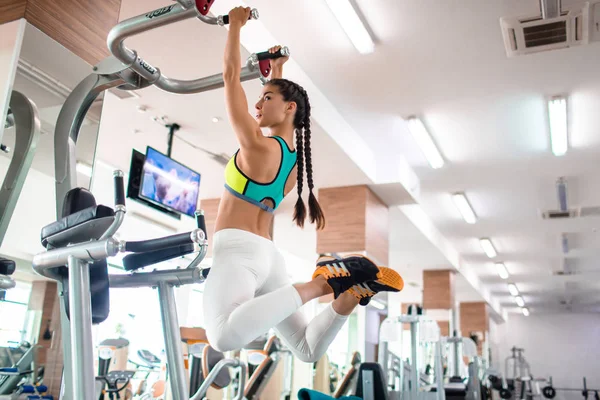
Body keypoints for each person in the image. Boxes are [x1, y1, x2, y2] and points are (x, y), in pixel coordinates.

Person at [202, 6, 404, 362]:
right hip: (267, 257)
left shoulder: (257, 146)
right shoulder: (293, 163)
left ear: (290, 108)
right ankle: (352, 292)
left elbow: (230, 75)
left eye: (266, 98)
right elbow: (269, 98)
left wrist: (234, 26)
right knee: (306, 349)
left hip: (237, 253)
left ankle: (323, 284)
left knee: (222, 336)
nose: (257, 104)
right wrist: (277, 71)